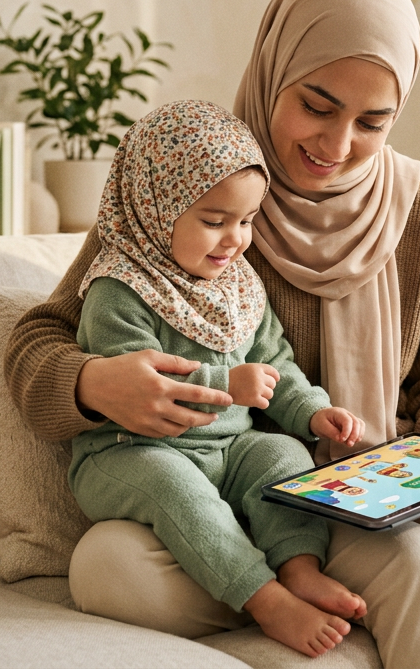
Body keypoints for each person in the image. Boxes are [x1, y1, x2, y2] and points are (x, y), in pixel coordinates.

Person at [5, 0, 420, 669]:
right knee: (408, 564)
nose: (338, 144)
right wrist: (93, 383)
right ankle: (273, 580)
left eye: (372, 122)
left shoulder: (416, 204)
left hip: (396, 462)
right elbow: (38, 338)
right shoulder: (204, 187)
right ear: (272, 73)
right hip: (278, 485)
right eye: (317, 106)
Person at [69, 99, 367, 658]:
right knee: (174, 487)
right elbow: (144, 383)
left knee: (283, 455)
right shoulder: (118, 289)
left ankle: (299, 566)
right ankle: (263, 598)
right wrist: (229, 385)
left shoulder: (240, 286)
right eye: (213, 222)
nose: (235, 239)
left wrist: (310, 411)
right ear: (156, 208)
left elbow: (275, 361)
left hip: (228, 448)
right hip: (130, 451)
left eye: (247, 221)